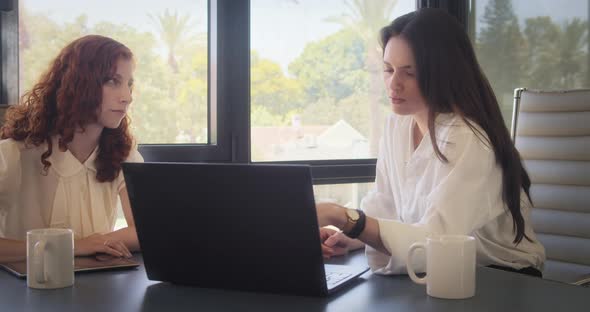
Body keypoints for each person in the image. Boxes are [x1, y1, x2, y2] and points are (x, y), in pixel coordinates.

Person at [316, 8, 545, 277]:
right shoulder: (397, 125)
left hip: (499, 278)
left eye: (409, 73)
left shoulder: (469, 138)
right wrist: (352, 236)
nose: (393, 84)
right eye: (389, 69)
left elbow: (437, 244)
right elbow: (385, 206)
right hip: (439, 275)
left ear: (443, 72)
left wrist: (340, 216)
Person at [0, 35, 143, 263]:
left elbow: (144, 230)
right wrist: (76, 246)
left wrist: (96, 244)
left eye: (129, 84)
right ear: (79, 84)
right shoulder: (11, 155)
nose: (127, 97)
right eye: (113, 81)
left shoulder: (123, 153)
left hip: (98, 289)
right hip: (27, 290)